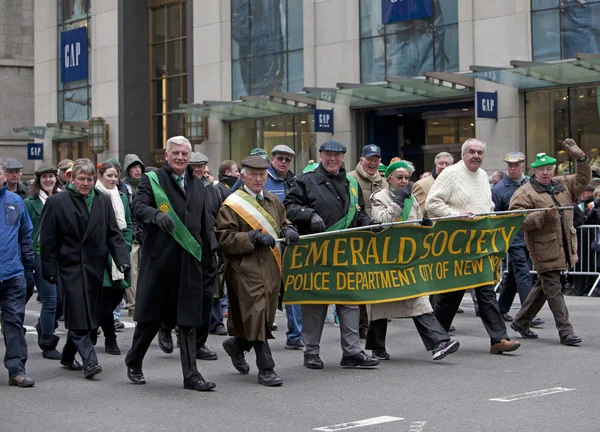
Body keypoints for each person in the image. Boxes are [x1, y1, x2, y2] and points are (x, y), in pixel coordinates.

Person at [124, 136, 216, 391]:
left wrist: (209, 259)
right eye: (175, 153)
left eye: (184, 154)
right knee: (150, 320)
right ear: (166, 155)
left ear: (190, 157)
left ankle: (192, 376)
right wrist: (155, 215)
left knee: (188, 321)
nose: (180, 157)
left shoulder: (198, 185)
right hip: (160, 264)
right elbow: (137, 207)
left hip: (189, 264)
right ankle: (133, 361)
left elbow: (203, 226)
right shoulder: (152, 180)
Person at [284, 140, 380, 369]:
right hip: (315, 253)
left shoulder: (351, 184)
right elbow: (288, 206)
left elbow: (356, 215)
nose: (332, 159)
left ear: (343, 158)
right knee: (315, 305)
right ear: (320, 155)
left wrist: (371, 224)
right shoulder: (304, 181)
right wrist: (308, 215)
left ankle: (352, 352)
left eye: (336, 156)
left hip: (345, 253)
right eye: (328, 155)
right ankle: (312, 352)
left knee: (350, 302)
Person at [425, 138, 521, 355]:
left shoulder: (483, 176)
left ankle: (499, 339)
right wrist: (457, 216)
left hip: (480, 244)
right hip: (456, 245)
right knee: (451, 295)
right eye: (472, 152)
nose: (476, 156)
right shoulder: (450, 174)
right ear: (463, 154)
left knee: (486, 291)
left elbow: (487, 205)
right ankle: (436, 338)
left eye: (479, 152)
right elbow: (432, 204)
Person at [40, 158, 130, 379]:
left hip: (96, 266)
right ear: (71, 178)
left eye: (90, 179)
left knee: (90, 316)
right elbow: (48, 240)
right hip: (70, 266)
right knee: (80, 315)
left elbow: (113, 234)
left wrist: (121, 259)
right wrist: (49, 269)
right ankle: (91, 362)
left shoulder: (103, 201)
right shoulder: (57, 202)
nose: (86, 183)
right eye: (81, 178)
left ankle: (67, 356)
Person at [216, 155, 299, 386]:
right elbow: (225, 238)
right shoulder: (232, 204)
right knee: (258, 314)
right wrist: (251, 237)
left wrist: (290, 229)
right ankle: (266, 368)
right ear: (242, 176)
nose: (258, 179)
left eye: (262, 175)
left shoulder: (273, 201)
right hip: (245, 269)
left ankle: (236, 345)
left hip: (271, 267)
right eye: (252, 174)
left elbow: (284, 222)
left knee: (263, 316)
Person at [367, 161, 460, 361]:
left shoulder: (412, 198)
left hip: (408, 259)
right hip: (386, 259)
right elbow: (382, 223)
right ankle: (377, 346)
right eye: (399, 177)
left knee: (418, 299)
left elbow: (416, 221)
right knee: (381, 303)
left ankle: (439, 342)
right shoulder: (378, 198)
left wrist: (425, 225)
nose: (403, 181)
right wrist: (398, 202)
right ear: (389, 178)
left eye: (406, 178)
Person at [509, 139, 590, 346]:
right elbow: (517, 220)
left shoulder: (562, 184)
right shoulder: (524, 192)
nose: (545, 173)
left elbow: (583, 179)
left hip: (564, 246)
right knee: (554, 289)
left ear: (553, 170)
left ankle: (520, 321)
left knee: (544, 287)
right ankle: (566, 331)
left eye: (548, 169)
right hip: (543, 249)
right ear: (534, 172)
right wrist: (542, 216)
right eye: (541, 169)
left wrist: (580, 158)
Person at [492, 152, 544, 327]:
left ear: (523, 166)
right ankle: (527, 313)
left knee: (514, 274)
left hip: (530, 235)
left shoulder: (531, 182)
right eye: (509, 165)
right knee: (523, 272)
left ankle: (501, 308)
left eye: (516, 165)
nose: (512, 168)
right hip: (513, 237)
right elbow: (495, 215)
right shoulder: (499, 189)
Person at [0, 161, 36, 387]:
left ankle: (17, 370)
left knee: (14, 322)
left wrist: (29, 267)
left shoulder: (15, 202)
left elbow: (26, 236)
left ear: (3, 176)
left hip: (13, 274)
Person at [348, 144, 388, 339]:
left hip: (380, 240)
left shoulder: (385, 182)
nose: (373, 163)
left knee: (376, 284)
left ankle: (374, 325)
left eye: (376, 159)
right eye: (369, 159)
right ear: (361, 160)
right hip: (359, 240)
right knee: (360, 284)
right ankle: (360, 325)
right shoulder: (349, 179)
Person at [24, 164, 63, 360]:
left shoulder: (63, 198)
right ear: (39, 180)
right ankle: (47, 342)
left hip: (62, 256)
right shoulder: (30, 203)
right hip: (39, 255)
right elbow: (25, 232)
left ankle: (43, 326)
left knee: (61, 302)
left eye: (51, 176)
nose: (48, 180)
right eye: (44, 177)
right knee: (50, 299)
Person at [95, 162, 133, 355]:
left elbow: (129, 224)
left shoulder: (123, 197)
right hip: (102, 254)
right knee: (105, 297)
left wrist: (124, 247)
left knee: (118, 294)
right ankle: (111, 338)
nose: (113, 179)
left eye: (115, 176)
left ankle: (94, 327)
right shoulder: (95, 196)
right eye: (109, 175)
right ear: (100, 176)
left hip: (119, 253)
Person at [121, 154, 146, 316]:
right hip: (132, 235)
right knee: (132, 271)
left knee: (144, 271)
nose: (137, 171)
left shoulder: (145, 185)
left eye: (139, 168)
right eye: (134, 168)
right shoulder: (123, 187)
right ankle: (133, 304)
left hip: (145, 234)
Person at [412, 152, 454, 217]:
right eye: (441, 163)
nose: (444, 166)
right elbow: (418, 215)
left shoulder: (457, 183)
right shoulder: (422, 185)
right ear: (435, 165)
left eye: (447, 164)